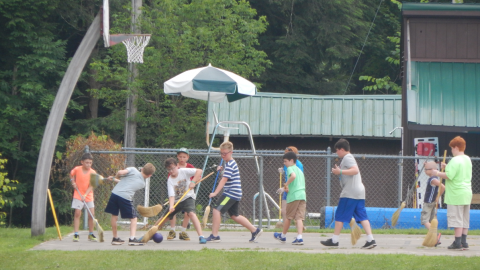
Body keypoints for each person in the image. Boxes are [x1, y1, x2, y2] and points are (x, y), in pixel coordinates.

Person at [321, 138, 376, 249]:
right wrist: (339, 171)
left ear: (342, 149)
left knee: (340, 215)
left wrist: (340, 171)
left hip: (350, 192)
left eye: (337, 150)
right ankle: (371, 239)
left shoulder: (348, 157)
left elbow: (355, 170)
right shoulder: (347, 159)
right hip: (359, 192)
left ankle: (335, 240)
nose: (336, 153)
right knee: (362, 216)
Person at [206, 141, 262, 243]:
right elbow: (226, 175)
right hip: (234, 193)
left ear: (231, 152)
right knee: (234, 215)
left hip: (230, 194)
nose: (223, 155)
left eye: (225, 153)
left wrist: (215, 193)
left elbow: (224, 180)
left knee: (216, 210)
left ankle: (214, 236)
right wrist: (221, 170)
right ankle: (255, 230)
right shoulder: (228, 164)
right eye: (221, 153)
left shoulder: (230, 164)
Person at [432, 136, 472, 251]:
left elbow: (449, 175)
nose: (451, 151)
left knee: (457, 219)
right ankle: (464, 241)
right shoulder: (467, 159)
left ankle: (457, 242)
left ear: (456, 147)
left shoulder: (455, 160)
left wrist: (437, 173)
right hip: (466, 192)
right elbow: (457, 171)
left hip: (456, 194)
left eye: (452, 148)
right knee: (465, 219)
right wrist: (447, 167)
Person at [105, 163, 156, 246]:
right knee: (133, 218)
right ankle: (132, 239)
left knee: (114, 215)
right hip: (125, 197)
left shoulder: (133, 169)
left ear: (142, 169)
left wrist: (115, 177)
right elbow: (129, 183)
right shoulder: (142, 184)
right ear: (149, 175)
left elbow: (122, 175)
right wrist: (115, 178)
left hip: (114, 194)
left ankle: (115, 238)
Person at [161, 158, 207, 244]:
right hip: (177, 200)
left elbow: (199, 171)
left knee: (191, 213)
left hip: (188, 197)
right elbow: (171, 195)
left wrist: (193, 181)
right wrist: (171, 206)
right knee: (163, 219)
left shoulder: (184, 171)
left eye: (173, 168)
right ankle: (151, 233)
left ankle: (201, 236)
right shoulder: (170, 180)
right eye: (169, 169)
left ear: (177, 166)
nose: (171, 171)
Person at [274, 151, 306, 245]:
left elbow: (293, 176)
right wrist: (285, 189)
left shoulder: (290, 169)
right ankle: (299, 237)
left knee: (288, 217)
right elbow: (296, 184)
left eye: (285, 161)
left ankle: (283, 236)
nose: (284, 163)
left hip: (294, 197)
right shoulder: (299, 170)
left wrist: (285, 184)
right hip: (302, 196)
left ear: (291, 161)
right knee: (299, 218)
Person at [167, 148, 194, 241]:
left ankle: (183, 231)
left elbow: (196, 177)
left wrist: (194, 182)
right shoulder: (174, 167)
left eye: (184, 157)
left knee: (187, 213)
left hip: (187, 194)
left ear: (187, 157)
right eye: (180, 156)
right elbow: (170, 179)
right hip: (176, 194)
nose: (182, 158)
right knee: (172, 211)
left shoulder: (190, 166)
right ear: (177, 157)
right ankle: (172, 230)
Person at [70, 153, 97, 242]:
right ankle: (76, 234)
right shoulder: (77, 169)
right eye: (86, 163)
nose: (88, 164)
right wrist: (73, 182)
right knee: (77, 213)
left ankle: (91, 234)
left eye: (90, 163)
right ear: (82, 162)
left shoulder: (93, 172)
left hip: (88, 195)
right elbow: (71, 174)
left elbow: (92, 185)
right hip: (78, 194)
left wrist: (85, 195)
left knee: (91, 215)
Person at [278, 146, 304, 225]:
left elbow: (295, 177)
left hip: (293, 190)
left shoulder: (298, 165)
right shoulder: (286, 164)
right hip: (287, 189)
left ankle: (299, 226)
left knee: (296, 212)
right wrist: (282, 171)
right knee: (284, 210)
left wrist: (285, 186)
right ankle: (285, 227)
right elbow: (288, 175)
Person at [422, 161, 445, 245]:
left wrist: (437, 197)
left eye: (426, 169)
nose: (424, 171)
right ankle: (434, 238)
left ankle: (435, 235)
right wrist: (425, 165)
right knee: (431, 220)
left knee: (424, 220)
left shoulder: (433, 180)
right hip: (431, 203)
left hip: (428, 202)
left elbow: (442, 187)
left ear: (432, 170)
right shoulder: (435, 178)